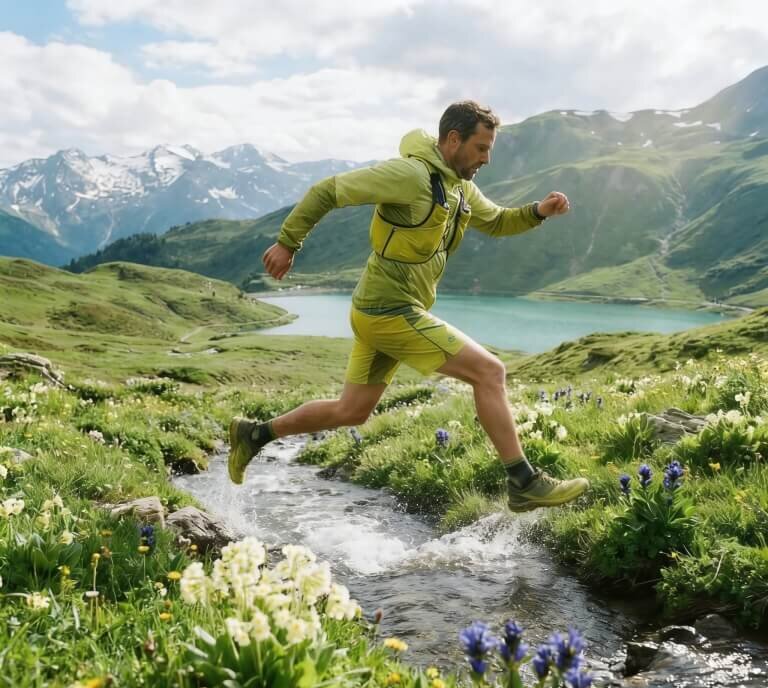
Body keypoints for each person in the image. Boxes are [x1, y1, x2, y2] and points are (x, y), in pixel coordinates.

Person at [228, 100, 589, 512]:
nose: (487, 158)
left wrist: (539, 211)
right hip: (389, 312)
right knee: (490, 372)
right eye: (481, 147)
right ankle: (524, 481)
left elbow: (498, 221)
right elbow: (328, 190)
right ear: (453, 139)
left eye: (490, 149)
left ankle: (254, 435)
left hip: (380, 311)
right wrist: (288, 242)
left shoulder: (459, 187)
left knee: (351, 411)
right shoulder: (410, 175)